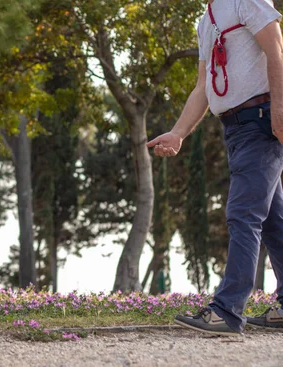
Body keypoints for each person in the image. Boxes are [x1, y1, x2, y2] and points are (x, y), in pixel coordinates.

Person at [147, 0, 283, 336]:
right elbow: (202, 88)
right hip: (235, 128)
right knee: (273, 221)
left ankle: (227, 310)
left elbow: (276, 49)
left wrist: (280, 107)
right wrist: (178, 133)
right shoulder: (206, 21)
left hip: (261, 121)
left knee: (243, 214)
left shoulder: (245, 1)